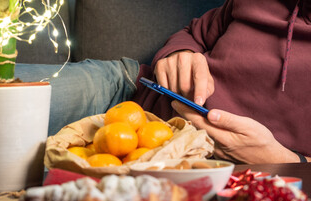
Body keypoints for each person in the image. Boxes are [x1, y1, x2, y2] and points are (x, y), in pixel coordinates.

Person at [16, 0, 310, 164]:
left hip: (197, 161)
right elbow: (195, 33)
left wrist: (287, 160)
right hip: (126, 91)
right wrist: (179, 52)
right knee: (3, 100)